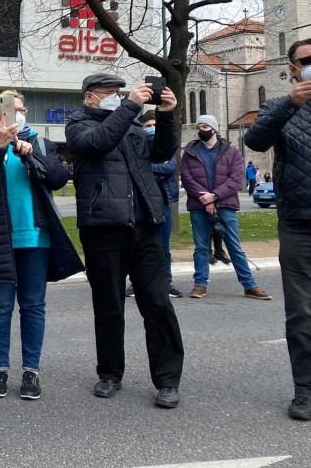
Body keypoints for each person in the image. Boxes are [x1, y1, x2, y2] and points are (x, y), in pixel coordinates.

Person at [65, 73, 184, 409]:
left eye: (121, 92)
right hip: (103, 228)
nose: (118, 96)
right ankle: (110, 373)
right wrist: (130, 106)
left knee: (158, 303)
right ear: (90, 96)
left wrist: (165, 115)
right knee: (109, 306)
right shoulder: (78, 125)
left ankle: (167, 380)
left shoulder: (130, 125)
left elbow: (160, 152)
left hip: (144, 227)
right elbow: (99, 142)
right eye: (110, 93)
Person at [0, 91, 83, 400]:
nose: (18, 115)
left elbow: (58, 178)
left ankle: (31, 371)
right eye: (12, 110)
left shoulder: (40, 141)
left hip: (35, 237)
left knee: (33, 306)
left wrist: (31, 154)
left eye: (22, 109)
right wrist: (0, 145)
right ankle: (0, 370)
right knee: (0, 307)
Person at [244, 37, 311, 421]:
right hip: (299, 223)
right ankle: (305, 390)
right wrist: (291, 103)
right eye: (305, 60)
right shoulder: (278, 106)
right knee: (301, 313)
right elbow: (254, 139)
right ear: (293, 68)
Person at [180, 114, 271, 301]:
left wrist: (215, 196)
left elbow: (236, 179)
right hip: (199, 205)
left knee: (234, 246)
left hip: (225, 204)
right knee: (201, 246)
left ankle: (249, 285)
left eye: (205, 126)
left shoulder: (232, 151)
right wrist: (205, 198)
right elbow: (187, 177)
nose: (200, 130)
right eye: (199, 126)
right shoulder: (190, 152)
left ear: (215, 129)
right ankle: (200, 284)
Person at [126, 111, 182, 298]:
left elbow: (169, 167)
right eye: (148, 125)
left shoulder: (164, 146)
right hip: (141, 205)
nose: (151, 129)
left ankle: (166, 282)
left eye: (154, 125)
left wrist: (144, 169)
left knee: (163, 247)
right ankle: (136, 283)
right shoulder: (137, 147)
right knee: (137, 245)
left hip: (162, 203)